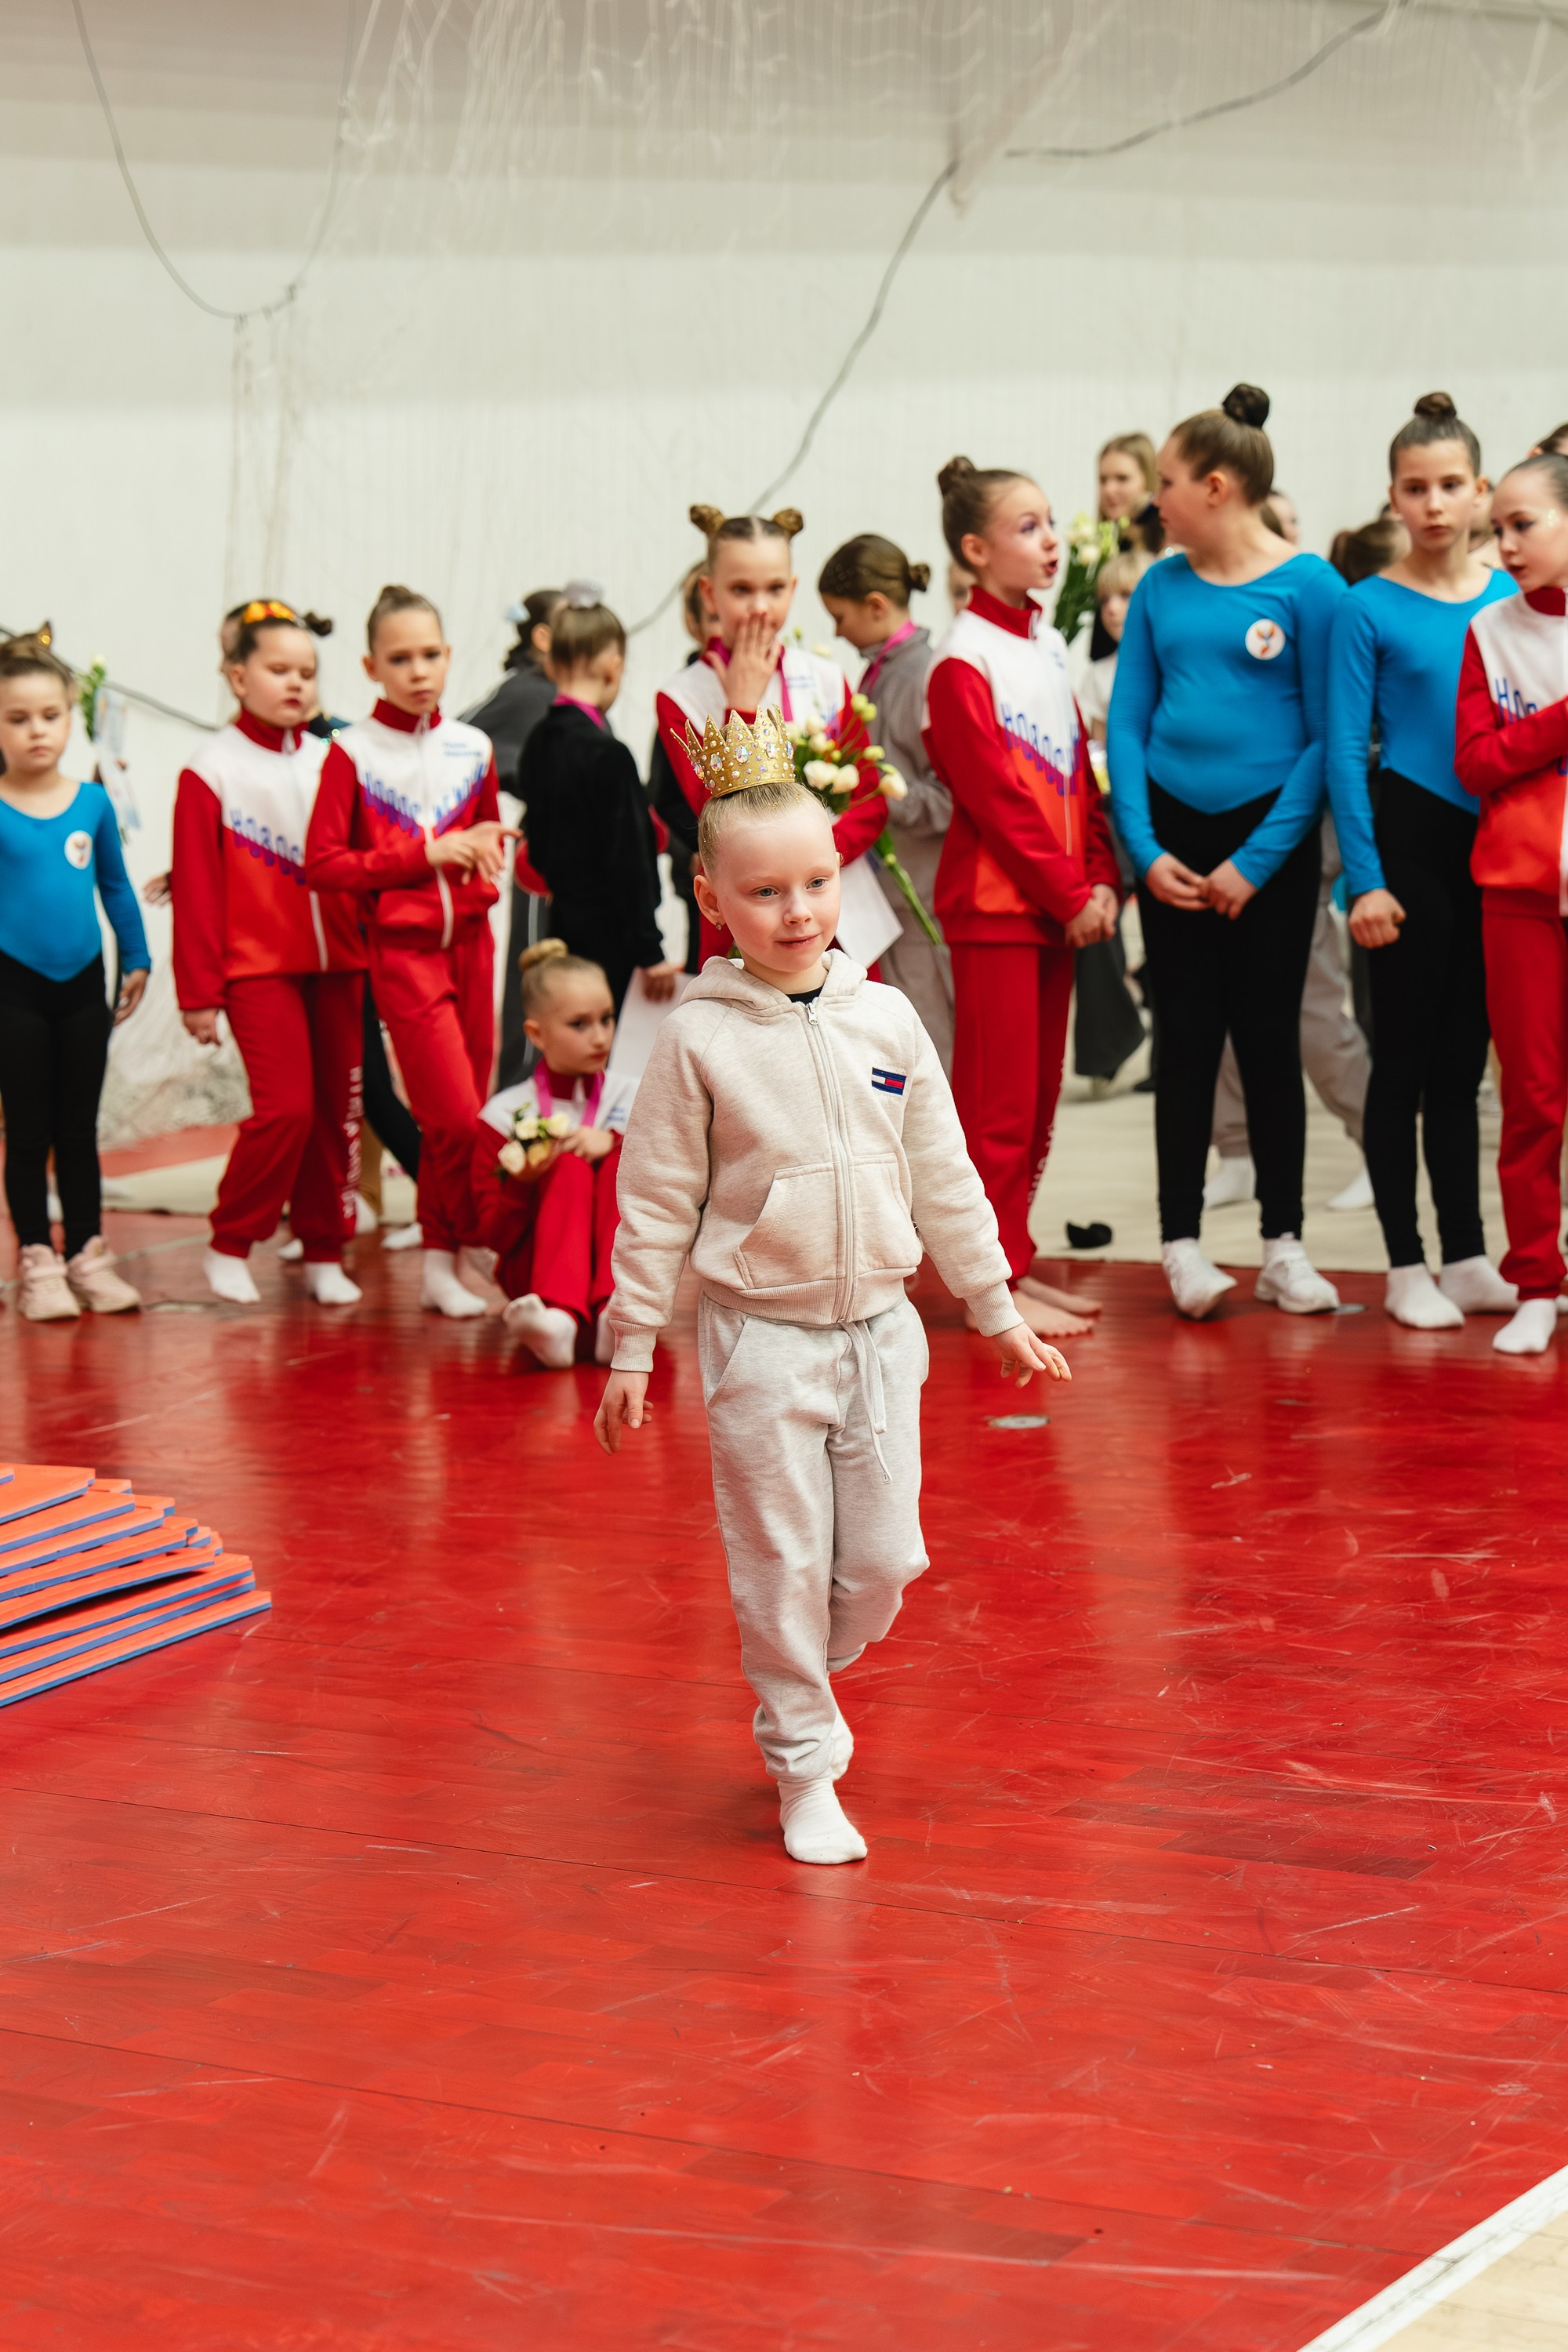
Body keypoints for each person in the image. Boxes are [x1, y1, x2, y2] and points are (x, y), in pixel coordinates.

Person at [593, 715, 1067, 1864]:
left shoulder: (886, 1014)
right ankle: (805, 1760)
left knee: (887, 1561)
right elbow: (656, 1199)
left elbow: (943, 1173)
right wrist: (629, 1343)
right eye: (766, 892)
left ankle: (809, 1649)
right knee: (781, 1561)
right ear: (713, 898)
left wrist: (993, 1306)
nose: (799, 911)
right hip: (762, 1344)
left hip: (884, 1334)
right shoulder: (698, 1040)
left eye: (817, 882)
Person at [1107, 383, 1346, 1319]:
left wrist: (1257, 860)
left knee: (1265, 1039)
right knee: (1186, 1043)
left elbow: (1326, 737)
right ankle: (1179, 1246)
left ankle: (1282, 1246)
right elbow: (1125, 724)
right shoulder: (1162, 585)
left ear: (1214, 487)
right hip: (1171, 838)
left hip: (1266, 843)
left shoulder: (1308, 586)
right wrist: (1142, 846)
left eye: (1162, 483)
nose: (1150, 501)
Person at [1327, 391, 1516, 1330]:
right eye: (1416, 488)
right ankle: (1403, 1263)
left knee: (1461, 1066)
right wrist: (1363, 878)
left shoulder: (1506, 599)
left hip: (1492, 846)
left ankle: (1468, 1253)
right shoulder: (1366, 607)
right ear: (1391, 499)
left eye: (1450, 485)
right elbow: (1341, 752)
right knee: (1399, 1060)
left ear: (1480, 492)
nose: (1434, 504)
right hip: (1404, 839)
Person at [922, 456, 1123, 1340]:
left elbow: (1077, 772)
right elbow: (996, 799)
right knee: (995, 1109)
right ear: (974, 550)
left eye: (1050, 524)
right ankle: (986, 1283)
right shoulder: (959, 660)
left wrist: (1102, 875)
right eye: (1027, 528)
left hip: (1052, 904)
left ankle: (1013, 1263)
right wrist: (1069, 889)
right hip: (999, 907)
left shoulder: (1043, 646)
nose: (1049, 542)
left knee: (1037, 1103)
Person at [305, 584, 512, 1319]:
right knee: (451, 1118)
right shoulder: (351, 754)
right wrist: (426, 856)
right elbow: (323, 864)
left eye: (430, 654)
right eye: (400, 658)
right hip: (402, 953)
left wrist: (492, 849)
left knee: (471, 1117)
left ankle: (443, 1260)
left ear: (450, 657)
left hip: (475, 945)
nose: (418, 670)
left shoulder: (474, 748)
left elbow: (484, 835)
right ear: (371, 666)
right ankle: (452, 1249)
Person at [173, 602, 366, 1308]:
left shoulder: (334, 759)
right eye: (278, 669)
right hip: (259, 969)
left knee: (334, 1116)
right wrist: (198, 991)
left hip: (340, 963)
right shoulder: (209, 769)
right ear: (236, 675)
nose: (296, 684)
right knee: (284, 1110)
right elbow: (195, 889)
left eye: (308, 672)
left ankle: (323, 1248)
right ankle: (231, 1240)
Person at [654, 506, 888, 967]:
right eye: (741, 589)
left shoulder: (823, 677)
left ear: (793, 588)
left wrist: (814, 866)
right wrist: (739, 706)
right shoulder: (681, 696)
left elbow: (871, 801)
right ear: (709, 593)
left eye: (775, 588)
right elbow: (711, 814)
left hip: (831, 910)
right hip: (749, 919)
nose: (761, 606)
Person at [1454, 451, 1568, 1355]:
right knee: (1529, 1096)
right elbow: (1474, 763)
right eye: (1497, 527)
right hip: (1518, 895)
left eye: (1522, 525)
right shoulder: (1489, 632)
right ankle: (1535, 1278)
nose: (1504, 543)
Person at [0, 629, 149, 1319]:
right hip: (14, 990)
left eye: (50, 716)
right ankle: (37, 1259)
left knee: (79, 1129)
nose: (37, 731)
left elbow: (116, 890)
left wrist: (138, 958)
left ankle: (87, 1250)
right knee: (28, 1132)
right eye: (17, 718)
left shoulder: (92, 804)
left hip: (82, 988)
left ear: (71, 717)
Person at [817, 532, 954, 1070]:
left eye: (840, 616)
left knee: (928, 1049)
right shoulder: (879, 670)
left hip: (919, 896)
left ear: (876, 607)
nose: (836, 631)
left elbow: (947, 799)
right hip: (886, 900)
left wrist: (870, 786)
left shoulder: (922, 675)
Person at [474, 939, 637, 1367]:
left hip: (625, 1277)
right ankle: (559, 1317)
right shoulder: (503, 1114)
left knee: (623, 1160)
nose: (600, 1036)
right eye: (579, 1024)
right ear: (536, 1034)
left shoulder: (636, 1097)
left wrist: (619, 1143)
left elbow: (680, 1191)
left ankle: (613, 1316)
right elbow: (493, 1238)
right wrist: (522, 1183)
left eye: (606, 1018)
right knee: (567, 1166)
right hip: (532, 1275)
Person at [519, 583, 680, 1015]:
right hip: (615, 935)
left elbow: (537, 840)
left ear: (552, 662)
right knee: (611, 1053)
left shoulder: (537, 742)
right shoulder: (607, 753)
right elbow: (629, 858)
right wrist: (651, 948)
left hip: (563, 925)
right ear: (613, 666)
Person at [465, 587, 563, 1087]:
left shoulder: (564, 690)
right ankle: (521, 1097)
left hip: (573, 852)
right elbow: (458, 740)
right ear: (543, 635)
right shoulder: (529, 690)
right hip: (541, 849)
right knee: (537, 968)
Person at [1071, 552, 1149, 1090]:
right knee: (1104, 926)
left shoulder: (1179, 663)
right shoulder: (1097, 676)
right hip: (1115, 811)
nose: (1114, 610)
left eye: (1127, 595)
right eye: (1106, 601)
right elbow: (1096, 752)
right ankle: (1112, 1038)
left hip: (1173, 809)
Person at [646, 565, 710, 975]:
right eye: (717, 615)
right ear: (693, 621)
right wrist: (694, 849)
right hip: (700, 867)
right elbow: (663, 795)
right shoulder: (679, 698)